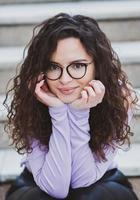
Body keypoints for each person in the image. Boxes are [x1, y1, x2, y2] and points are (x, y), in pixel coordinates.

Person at [4, 13, 139, 200]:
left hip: (103, 181)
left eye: (77, 66)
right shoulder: (32, 99)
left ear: (97, 66)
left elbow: (81, 181)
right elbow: (56, 188)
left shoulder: (120, 98)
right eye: (53, 66)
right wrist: (58, 112)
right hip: (36, 183)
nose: (64, 80)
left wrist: (79, 113)